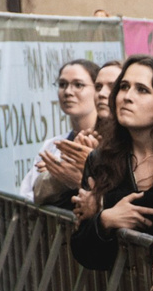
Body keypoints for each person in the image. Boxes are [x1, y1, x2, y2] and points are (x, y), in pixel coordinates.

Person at [71, 56, 153, 271]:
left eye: (142, 90)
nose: (127, 97)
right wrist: (105, 220)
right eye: (124, 87)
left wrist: (102, 203)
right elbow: (82, 249)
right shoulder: (99, 159)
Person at [27, 58, 103, 205]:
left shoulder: (111, 142)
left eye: (78, 85)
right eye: (62, 84)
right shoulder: (52, 145)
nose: (68, 92)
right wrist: (55, 175)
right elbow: (29, 195)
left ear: (97, 90)